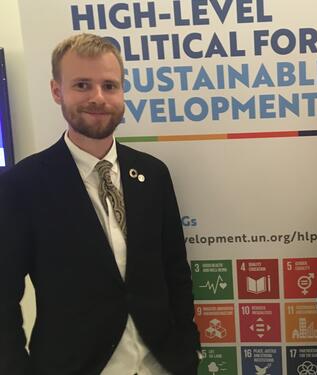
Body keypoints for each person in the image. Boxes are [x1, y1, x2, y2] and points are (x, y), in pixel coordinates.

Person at [0, 33, 200, 374]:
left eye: (109, 85)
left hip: (162, 364)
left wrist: (188, 347)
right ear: (56, 91)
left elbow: (175, 272)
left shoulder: (152, 174)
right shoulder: (22, 184)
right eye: (81, 85)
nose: (98, 97)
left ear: (122, 92)